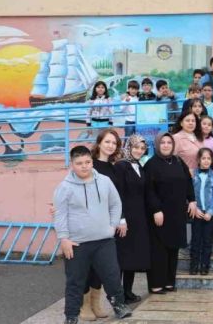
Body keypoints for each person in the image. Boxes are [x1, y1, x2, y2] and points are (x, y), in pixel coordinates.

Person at [53, 146, 132, 324]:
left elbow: (115, 204)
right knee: (75, 282)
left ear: (92, 161)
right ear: (72, 164)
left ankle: (119, 306)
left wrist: (112, 226)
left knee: (112, 276)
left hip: (104, 241)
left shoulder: (104, 181)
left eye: (87, 162)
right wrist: (64, 238)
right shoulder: (64, 187)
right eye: (79, 163)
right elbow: (60, 214)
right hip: (76, 244)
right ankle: (71, 316)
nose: (84, 166)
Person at [145, 133, 197, 294]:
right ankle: (156, 284)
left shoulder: (178, 161)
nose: (166, 145)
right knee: (159, 250)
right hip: (160, 214)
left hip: (177, 213)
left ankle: (169, 282)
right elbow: (149, 190)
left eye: (169, 142)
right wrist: (156, 209)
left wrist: (192, 200)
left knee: (173, 248)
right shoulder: (151, 164)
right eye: (163, 142)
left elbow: (188, 181)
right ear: (157, 145)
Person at [86, 128, 123, 319]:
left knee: (101, 265)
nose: (110, 145)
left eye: (114, 143)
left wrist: (120, 219)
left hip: (108, 224)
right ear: (99, 143)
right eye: (107, 141)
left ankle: (96, 303)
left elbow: (116, 198)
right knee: (87, 264)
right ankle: (84, 305)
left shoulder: (113, 168)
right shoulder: (89, 165)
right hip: (90, 222)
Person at [112, 135, 151, 304]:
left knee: (132, 257)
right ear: (129, 147)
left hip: (139, 218)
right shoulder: (121, 166)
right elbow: (117, 194)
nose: (139, 151)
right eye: (136, 147)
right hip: (125, 219)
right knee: (121, 257)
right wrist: (121, 218)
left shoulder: (139, 166)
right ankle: (117, 294)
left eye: (142, 148)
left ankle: (128, 292)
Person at [189, 148, 213, 275]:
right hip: (196, 212)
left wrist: (210, 211)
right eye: (203, 158)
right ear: (198, 160)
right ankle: (194, 265)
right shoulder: (193, 174)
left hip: (210, 214)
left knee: (207, 240)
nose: (206, 161)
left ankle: (205, 265)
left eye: (208, 158)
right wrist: (195, 209)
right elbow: (189, 193)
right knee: (196, 240)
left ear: (212, 160)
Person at [172, 109, 204, 175]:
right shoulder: (176, 138)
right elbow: (172, 160)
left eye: (193, 121)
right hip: (185, 176)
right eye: (187, 120)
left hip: (201, 175)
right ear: (181, 123)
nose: (191, 123)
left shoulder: (199, 137)